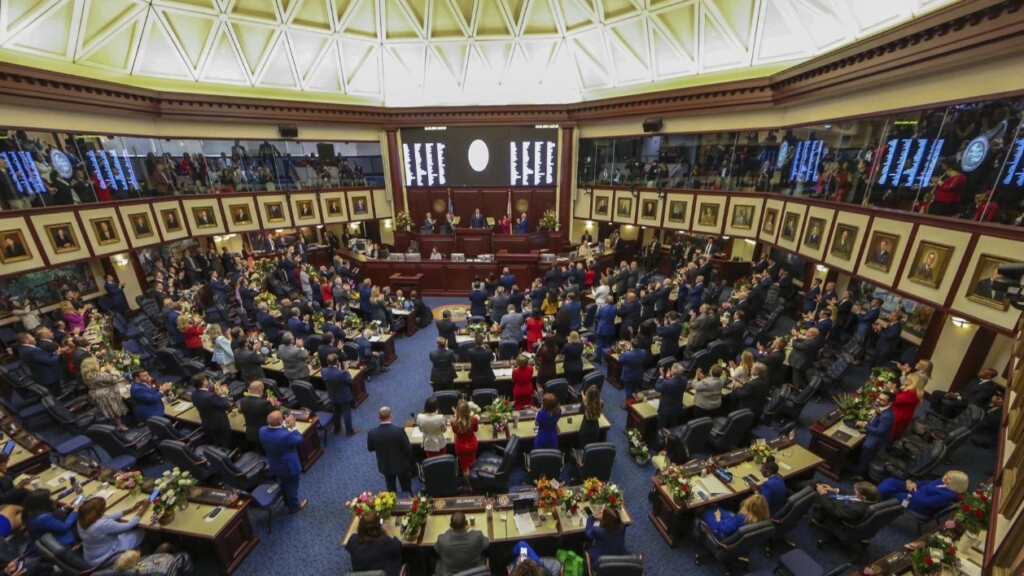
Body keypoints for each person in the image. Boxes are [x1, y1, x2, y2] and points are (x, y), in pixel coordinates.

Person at [78, 496, 147, 567]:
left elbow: (107, 517)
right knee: (141, 532)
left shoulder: (81, 521)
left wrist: (132, 508)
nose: (106, 507)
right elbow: (129, 525)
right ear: (99, 511)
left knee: (123, 534)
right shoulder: (103, 525)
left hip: (90, 557)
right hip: (105, 558)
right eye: (104, 507)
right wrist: (144, 508)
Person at [877, 470, 968, 517]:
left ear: (956, 484)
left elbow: (926, 502)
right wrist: (915, 483)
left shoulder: (948, 496)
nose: (945, 478)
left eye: (949, 479)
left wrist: (913, 491)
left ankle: (874, 507)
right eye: (947, 475)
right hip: (916, 491)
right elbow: (927, 483)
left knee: (896, 496)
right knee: (891, 482)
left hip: (919, 506)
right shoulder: (942, 481)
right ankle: (874, 496)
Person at [367, 406, 413, 494]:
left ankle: (393, 504)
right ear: (391, 416)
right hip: (401, 464)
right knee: (406, 486)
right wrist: (409, 460)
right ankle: (410, 503)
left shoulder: (372, 433)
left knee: (390, 487)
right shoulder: (399, 431)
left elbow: (370, 448)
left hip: (385, 464)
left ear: (379, 417)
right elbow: (408, 448)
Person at [345, 511, 402, 576]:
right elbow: (398, 546)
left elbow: (349, 548)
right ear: (378, 526)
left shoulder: (353, 540)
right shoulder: (384, 541)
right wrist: (388, 530)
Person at [23, 488, 78, 554]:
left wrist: (63, 508)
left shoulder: (30, 512)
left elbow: (50, 515)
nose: (51, 499)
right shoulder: (43, 519)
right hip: (54, 544)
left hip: (44, 538)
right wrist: (75, 511)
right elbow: (64, 527)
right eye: (49, 498)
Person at [434, 511, 489, 576]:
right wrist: (471, 531)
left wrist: (449, 531)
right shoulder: (477, 536)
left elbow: (436, 549)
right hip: (475, 572)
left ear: (450, 526)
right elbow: (486, 544)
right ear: (466, 523)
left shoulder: (442, 540)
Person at [81, 357, 129, 431]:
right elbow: (114, 379)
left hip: (97, 394)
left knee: (109, 410)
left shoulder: (88, 374)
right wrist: (110, 371)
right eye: (96, 362)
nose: (98, 363)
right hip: (106, 394)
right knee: (113, 410)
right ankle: (120, 426)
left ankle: (118, 424)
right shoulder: (98, 375)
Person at [929, 367, 998, 418]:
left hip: (966, 402)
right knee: (936, 393)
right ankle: (935, 412)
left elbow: (974, 400)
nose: (979, 372)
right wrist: (956, 394)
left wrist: (957, 397)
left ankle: (945, 420)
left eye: (982, 372)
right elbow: (964, 389)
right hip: (959, 397)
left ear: (988, 376)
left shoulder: (989, 388)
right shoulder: (975, 380)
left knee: (949, 404)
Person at [857, 391, 894, 478]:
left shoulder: (887, 416)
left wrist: (864, 425)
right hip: (871, 433)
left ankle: (860, 476)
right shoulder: (881, 408)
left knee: (866, 458)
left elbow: (880, 431)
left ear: (890, 403)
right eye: (878, 398)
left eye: (882, 400)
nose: (878, 400)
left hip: (876, 441)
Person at [191, 373, 233, 450]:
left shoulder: (194, 395)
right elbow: (225, 404)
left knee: (216, 443)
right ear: (203, 382)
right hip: (220, 424)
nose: (207, 380)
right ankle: (229, 456)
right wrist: (223, 394)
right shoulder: (210, 396)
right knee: (226, 443)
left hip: (207, 423)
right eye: (206, 379)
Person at [702, 494, 770, 540]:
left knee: (705, 511)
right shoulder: (761, 519)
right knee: (717, 508)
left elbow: (724, 530)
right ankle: (713, 507)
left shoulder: (742, 518)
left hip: (722, 534)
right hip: (732, 529)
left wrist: (718, 519)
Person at [812, 481, 879, 525]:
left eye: (856, 492)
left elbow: (833, 512)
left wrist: (823, 494)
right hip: (842, 504)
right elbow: (848, 495)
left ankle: (817, 517)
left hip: (835, 512)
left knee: (816, 493)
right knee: (819, 483)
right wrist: (834, 490)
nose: (854, 491)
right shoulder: (871, 497)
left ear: (863, 497)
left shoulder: (855, 510)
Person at [321, 354, 356, 437]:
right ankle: (349, 431)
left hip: (332, 396)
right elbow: (350, 381)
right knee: (346, 413)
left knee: (336, 412)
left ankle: (337, 428)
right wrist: (346, 370)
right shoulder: (342, 373)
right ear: (337, 362)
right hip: (343, 396)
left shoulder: (323, 371)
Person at [452, 400, 480, 491]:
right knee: (473, 462)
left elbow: (456, 433)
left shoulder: (454, 423)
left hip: (461, 447)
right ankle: (476, 481)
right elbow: (475, 430)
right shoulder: (474, 420)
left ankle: (469, 486)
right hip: (472, 445)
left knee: (465, 468)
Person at [239, 381, 275, 450]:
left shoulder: (242, 401)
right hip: (264, 435)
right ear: (259, 390)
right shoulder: (265, 403)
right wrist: (271, 403)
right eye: (263, 389)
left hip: (250, 434)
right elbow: (276, 414)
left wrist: (265, 401)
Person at [654, 362, 687, 435]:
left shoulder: (667, 383)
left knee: (661, 430)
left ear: (672, 372)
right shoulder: (684, 380)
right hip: (677, 409)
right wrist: (669, 378)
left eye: (671, 369)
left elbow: (657, 387)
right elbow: (674, 383)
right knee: (673, 430)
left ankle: (660, 443)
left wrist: (661, 376)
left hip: (665, 410)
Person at [111, 547, 193, 576]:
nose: (139, 555)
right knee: (183, 555)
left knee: (165, 546)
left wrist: (155, 561)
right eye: (137, 557)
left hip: (154, 563)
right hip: (167, 568)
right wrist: (166, 559)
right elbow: (163, 571)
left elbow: (147, 563)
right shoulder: (146, 570)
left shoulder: (121, 570)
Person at [891, 372, 925, 439]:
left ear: (914, 382)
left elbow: (893, 401)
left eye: (907, 379)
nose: (905, 380)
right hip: (903, 414)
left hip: (898, 416)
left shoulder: (911, 393)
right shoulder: (912, 391)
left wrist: (891, 390)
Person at [618, 338, 647, 405]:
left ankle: (628, 405)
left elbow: (620, 360)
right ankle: (634, 402)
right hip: (639, 374)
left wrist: (623, 350)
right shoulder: (643, 352)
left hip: (629, 376)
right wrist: (629, 350)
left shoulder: (627, 355)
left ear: (631, 345)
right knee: (634, 389)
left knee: (629, 390)